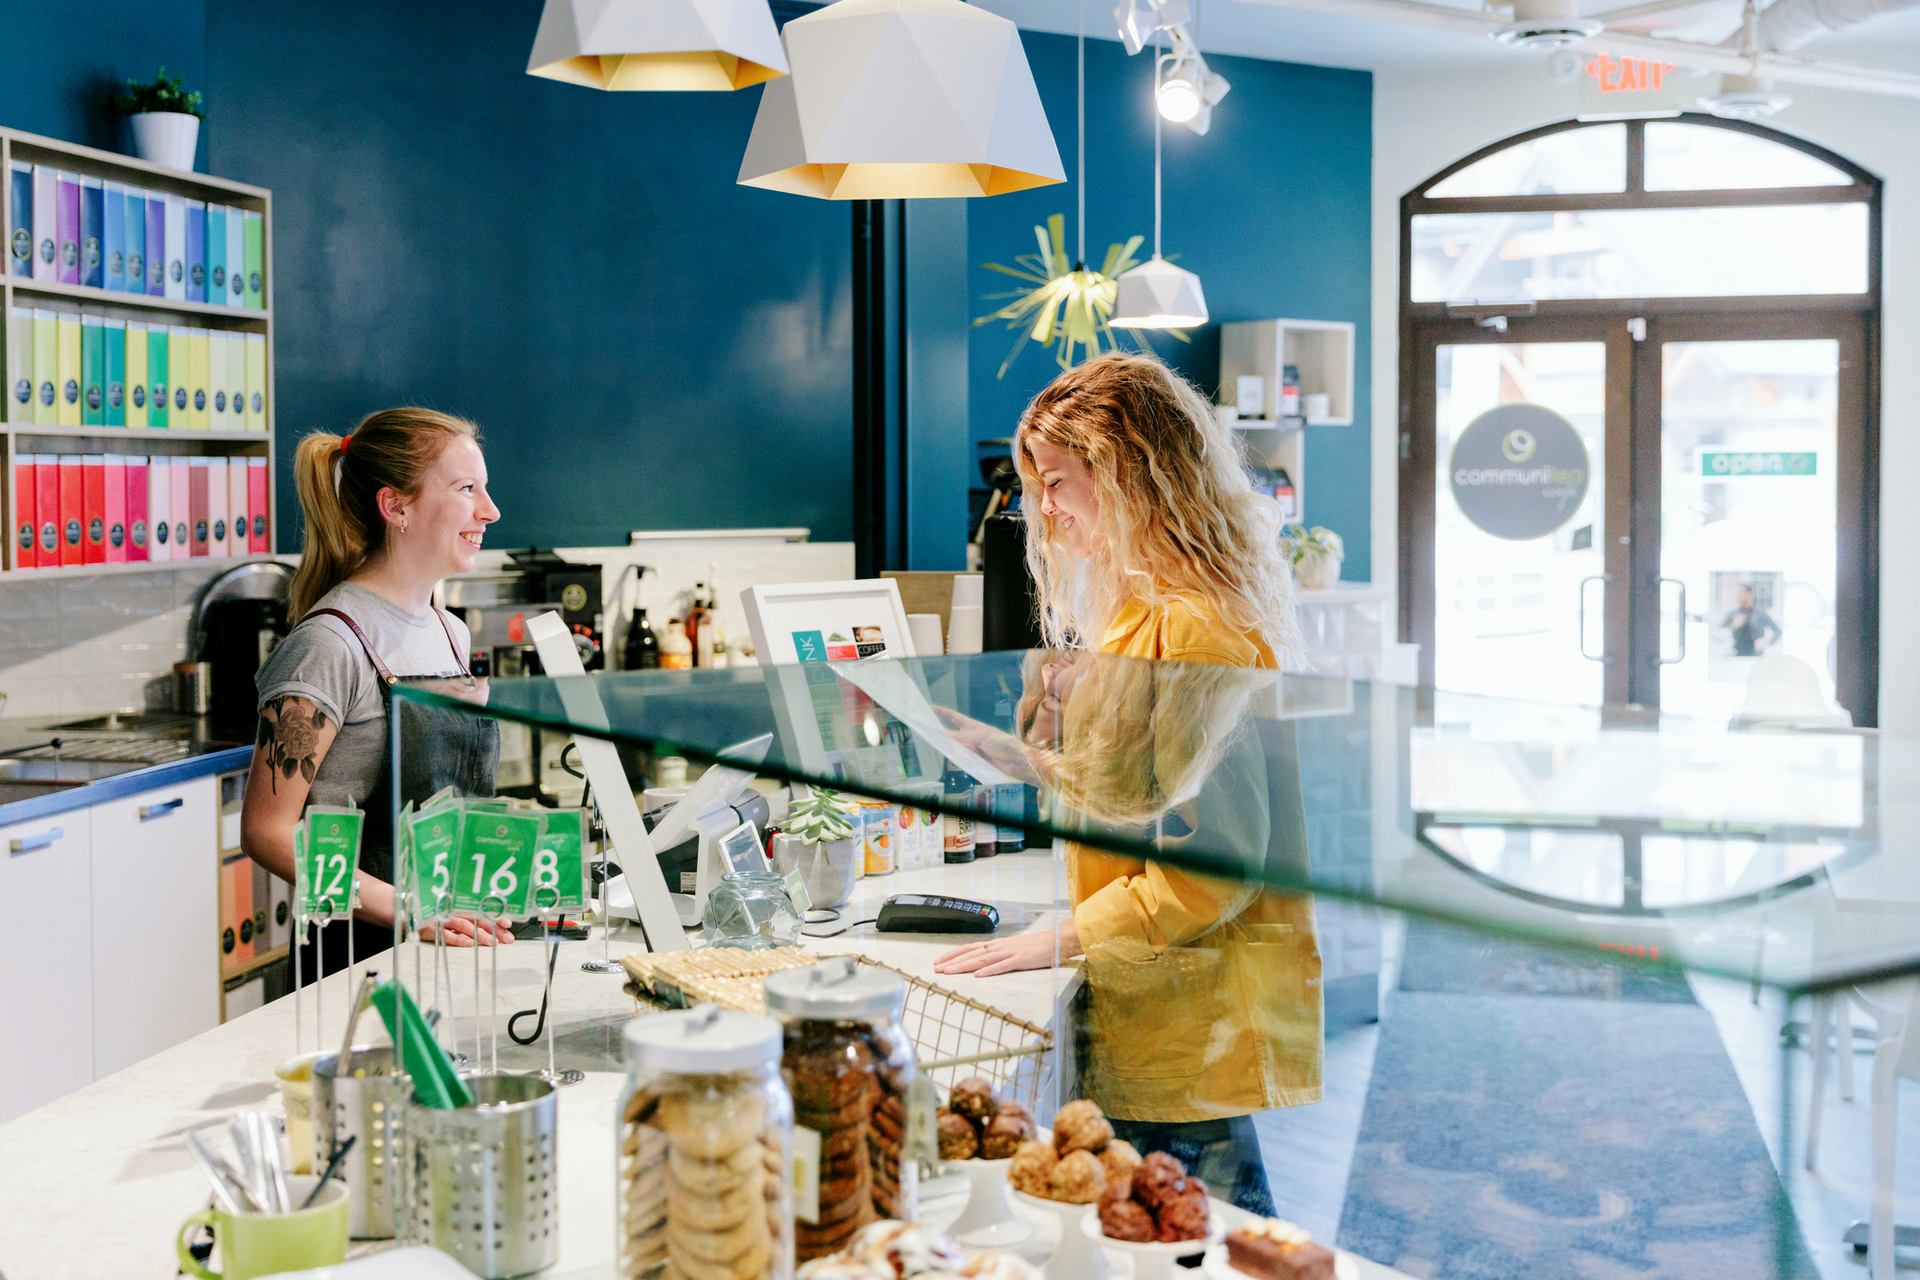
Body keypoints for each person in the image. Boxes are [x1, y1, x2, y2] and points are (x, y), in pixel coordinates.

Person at [933, 352, 1322, 1213]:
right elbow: (1140, 792)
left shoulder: (1193, 630)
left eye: (1061, 482)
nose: (1049, 510)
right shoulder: (1146, 610)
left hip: (1191, 1020)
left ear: (1130, 472)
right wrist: (1025, 755)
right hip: (1159, 1003)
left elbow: (1210, 865)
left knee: (1199, 1238)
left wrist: (1062, 936)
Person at [241, 407, 512, 982]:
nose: (490, 510)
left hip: (448, 943)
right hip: (354, 961)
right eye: (467, 489)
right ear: (396, 507)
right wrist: (411, 912)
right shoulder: (328, 644)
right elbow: (268, 831)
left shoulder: (449, 631)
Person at [1723, 582, 1781, 657]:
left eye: (1743, 594)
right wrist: (1733, 626)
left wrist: (1766, 640)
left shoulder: (1761, 614)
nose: (1740, 597)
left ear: (1751, 595)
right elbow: (1717, 634)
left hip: (1756, 655)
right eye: (1738, 594)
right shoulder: (1732, 614)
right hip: (1736, 655)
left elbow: (1778, 631)